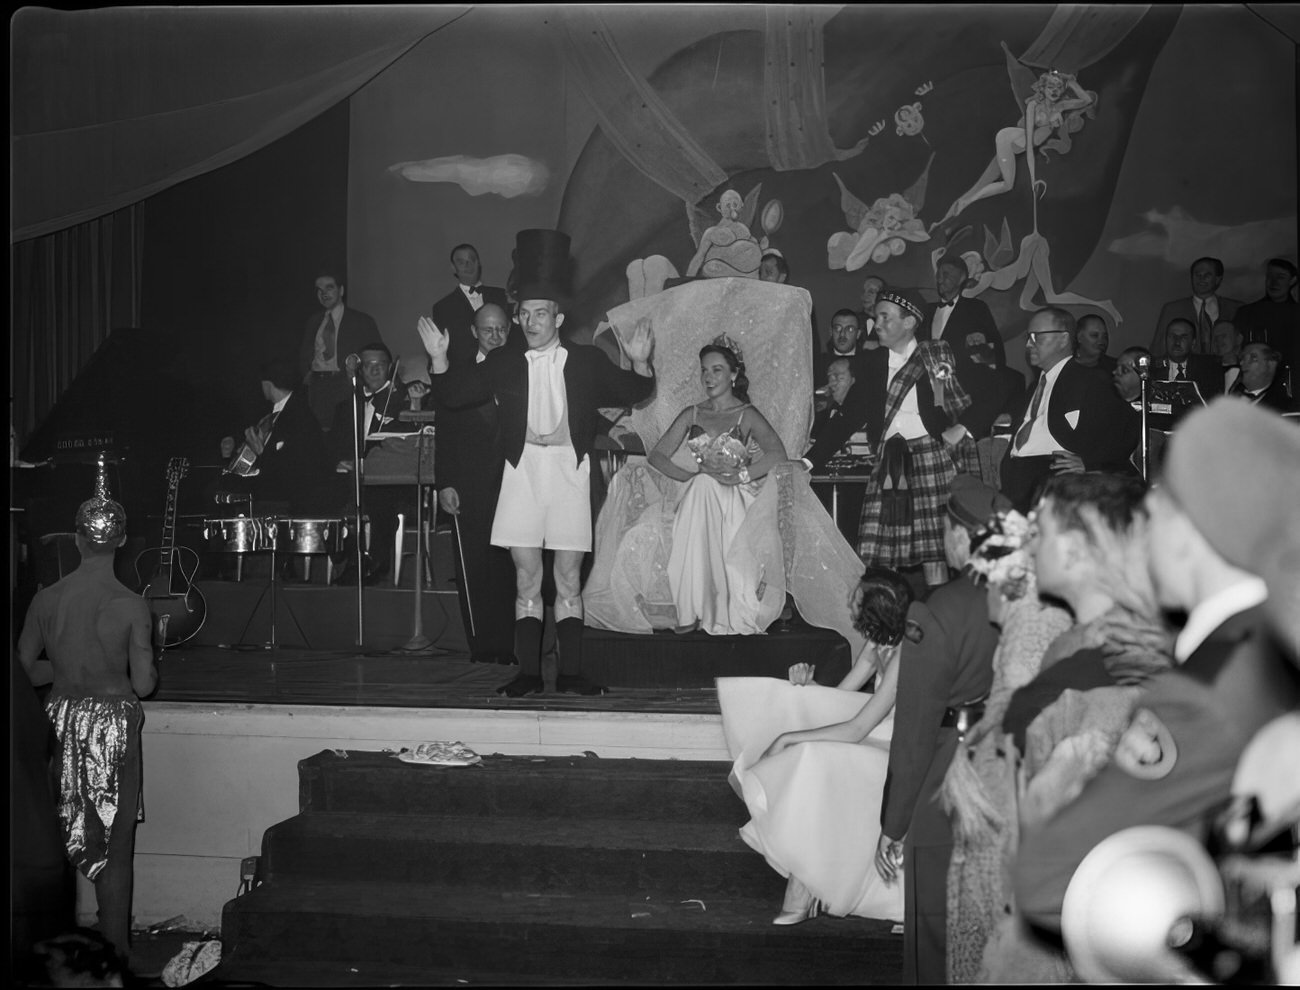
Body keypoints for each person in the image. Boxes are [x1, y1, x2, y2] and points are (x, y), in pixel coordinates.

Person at [1013, 399, 1300, 940]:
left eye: (1152, 513)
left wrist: (1058, 798)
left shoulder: (1205, 691)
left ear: (1190, 528)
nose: (1141, 537)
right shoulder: (1273, 647)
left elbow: (1048, 880)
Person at [419, 229, 656, 697]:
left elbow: (634, 392)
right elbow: (454, 394)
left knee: (567, 578)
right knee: (527, 577)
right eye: (524, 314)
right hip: (522, 474)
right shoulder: (504, 363)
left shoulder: (586, 361)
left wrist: (642, 363)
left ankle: (571, 674)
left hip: (569, 474)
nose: (530, 322)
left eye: (540, 314)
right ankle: (527, 672)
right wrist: (440, 359)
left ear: (558, 317)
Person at [717, 567, 922, 930]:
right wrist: (809, 689)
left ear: (876, 611)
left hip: (900, 746)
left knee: (813, 754)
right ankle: (805, 875)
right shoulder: (878, 643)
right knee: (793, 713)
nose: (848, 602)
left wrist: (790, 739)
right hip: (873, 733)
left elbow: (858, 726)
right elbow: (842, 700)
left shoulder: (907, 652)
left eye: (856, 599)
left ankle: (806, 882)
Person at [16, 459, 158, 965]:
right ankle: (115, 949)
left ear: (75, 540)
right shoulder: (130, 605)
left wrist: (64, 670)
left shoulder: (47, 599)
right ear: (121, 542)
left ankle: (50, 946)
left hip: (56, 721)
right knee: (114, 843)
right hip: (112, 724)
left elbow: (20, 672)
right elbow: (143, 686)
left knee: (52, 836)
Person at [874, 475, 1007, 984]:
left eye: (946, 528)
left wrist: (893, 823)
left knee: (938, 935)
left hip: (951, 775)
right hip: (1015, 768)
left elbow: (914, 729)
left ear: (962, 536)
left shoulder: (936, 609)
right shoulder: (1037, 595)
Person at [804, 289, 978, 587]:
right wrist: (808, 461)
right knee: (885, 554)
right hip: (890, 460)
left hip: (931, 457)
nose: (877, 323)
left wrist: (963, 428)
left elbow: (996, 387)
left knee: (934, 553)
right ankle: (886, 622)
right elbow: (849, 416)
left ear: (909, 321)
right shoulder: (869, 363)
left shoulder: (937, 355)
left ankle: (935, 623)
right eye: (876, 316)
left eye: (885, 316)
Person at [646, 336, 788, 635]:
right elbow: (657, 455)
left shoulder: (746, 414)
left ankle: (708, 608)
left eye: (717, 370)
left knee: (706, 490)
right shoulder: (693, 413)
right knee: (702, 488)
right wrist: (689, 478)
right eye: (704, 371)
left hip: (733, 502)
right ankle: (693, 606)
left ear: (734, 374)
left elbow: (777, 454)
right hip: (698, 497)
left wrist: (741, 476)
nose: (708, 377)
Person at [434, 303, 519, 664]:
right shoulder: (458, 376)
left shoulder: (522, 371)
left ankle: (510, 646)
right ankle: (482, 648)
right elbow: (446, 434)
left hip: (515, 486)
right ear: (474, 332)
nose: (496, 336)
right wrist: (445, 484)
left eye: (501, 329)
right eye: (488, 330)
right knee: (474, 568)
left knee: (511, 568)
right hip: (468, 486)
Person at [999, 307, 1140, 513]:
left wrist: (1091, 463)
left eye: (1036, 336)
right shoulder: (1034, 386)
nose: (1029, 344)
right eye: (1028, 337)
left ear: (1064, 339)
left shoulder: (1090, 380)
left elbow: (1126, 427)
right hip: (1017, 483)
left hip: (1053, 485)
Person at [939, 66, 1095, 225]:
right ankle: (967, 202)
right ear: (1043, 88)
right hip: (1008, 141)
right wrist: (1033, 179)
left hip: (1011, 151)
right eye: (1050, 87)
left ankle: (944, 220)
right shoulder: (1034, 106)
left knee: (979, 187)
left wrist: (1072, 82)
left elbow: (1087, 100)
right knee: (1006, 185)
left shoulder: (1060, 107)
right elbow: (1028, 148)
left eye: (1058, 87)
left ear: (1062, 90)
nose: (1054, 91)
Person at [328, 342, 426, 585]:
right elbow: (333, 446)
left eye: (380, 365)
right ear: (360, 370)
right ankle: (345, 552)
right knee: (331, 492)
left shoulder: (402, 399)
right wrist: (344, 459)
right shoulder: (346, 405)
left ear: (390, 368)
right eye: (368, 365)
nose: (373, 371)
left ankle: (371, 562)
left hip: (393, 480)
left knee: (379, 498)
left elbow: (416, 439)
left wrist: (415, 405)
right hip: (354, 479)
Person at [217, 355, 333, 515]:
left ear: (267, 384)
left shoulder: (299, 416)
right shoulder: (271, 414)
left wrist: (261, 452)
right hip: (269, 497)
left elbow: (297, 468)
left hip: (291, 505)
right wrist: (230, 452)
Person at [297, 268, 380, 428]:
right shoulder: (314, 321)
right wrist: (307, 376)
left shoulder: (361, 321)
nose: (324, 293)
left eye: (329, 287)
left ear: (341, 290)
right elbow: (305, 353)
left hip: (345, 386)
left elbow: (377, 355)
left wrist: (357, 375)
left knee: (344, 438)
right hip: (317, 387)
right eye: (319, 290)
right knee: (319, 438)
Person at [430, 243, 512, 371]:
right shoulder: (443, 308)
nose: (468, 266)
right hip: (464, 376)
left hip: (504, 369)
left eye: (471, 260)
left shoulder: (502, 296)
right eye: (461, 262)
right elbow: (440, 353)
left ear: (478, 263)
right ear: (453, 268)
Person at [922, 254, 1005, 369]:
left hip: (964, 381)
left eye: (946, 274)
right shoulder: (925, 310)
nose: (940, 279)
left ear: (961, 278)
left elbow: (995, 353)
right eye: (938, 275)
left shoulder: (976, 308)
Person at [1149, 257, 1242, 357]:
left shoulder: (1236, 309)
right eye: (1197, 275)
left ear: (1218, 279)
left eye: (1207, 275)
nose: (1201, 279)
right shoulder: (1172, 309)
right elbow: (1158, 350)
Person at [685, 188, 763, 279]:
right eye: (728, 205)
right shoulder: (712, 232)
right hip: (718, 273)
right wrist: (688, 279)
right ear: (719, 207)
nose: (732, 208)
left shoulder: (744, 229)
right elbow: (699, 257)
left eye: (735, 204)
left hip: (746, 276)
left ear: (741, 205)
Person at [1229, 257, 1297, 357]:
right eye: (1270, 276)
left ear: (1292, 280)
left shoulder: (1296, 313)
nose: (1274, 282)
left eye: (1280, 277)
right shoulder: (1245, 313)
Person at [1153, 318, 1223, 399]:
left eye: (1183, 337)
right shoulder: (1152, 369)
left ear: (1193, 343)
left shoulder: (1208, 369)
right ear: (1165, 340)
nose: (1177, 342)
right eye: (1172, 336)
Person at [1230, 341, 1293, 411]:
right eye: (1243, 358)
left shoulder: (1284, 407)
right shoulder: (1231, 398)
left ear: (1271, 365)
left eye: (1253, 358)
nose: (1242, 363)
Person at [1210, 318, 1245, 393]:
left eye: (1223, 336)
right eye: (1215, 338)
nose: (1218, 341)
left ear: (1239, 339)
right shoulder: (1207, 371)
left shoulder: (1248, 370)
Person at [859, 274, 886, 344]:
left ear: (881, 296)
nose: (865, 296)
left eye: (871, 292)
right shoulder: (853, 319)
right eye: (863, 291)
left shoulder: (888, 322)